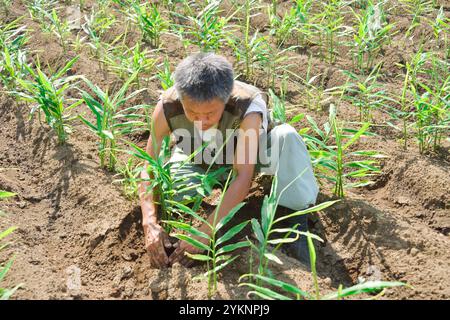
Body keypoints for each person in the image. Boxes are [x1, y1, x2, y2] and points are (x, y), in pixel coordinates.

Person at [139, 52, 319, 268]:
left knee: (286, 137)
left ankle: (295, 214)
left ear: (225, 99)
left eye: (210, 113)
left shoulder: (247, 108)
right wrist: (149, 221)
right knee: (173, 192)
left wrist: (205, 232)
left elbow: (243, 175)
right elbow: (149, 164)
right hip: (199, 156)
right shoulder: (167, 106)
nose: (201, 120)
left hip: (251, 157)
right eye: (192, 112)